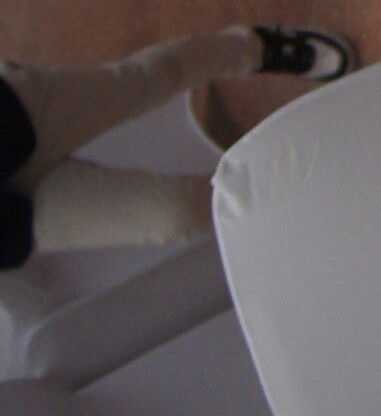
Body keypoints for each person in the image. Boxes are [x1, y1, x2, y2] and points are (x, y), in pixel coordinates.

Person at [0, 26, 355, 267]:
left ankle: (258, 47)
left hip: (12, 117)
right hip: (9, 226)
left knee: (143, 82)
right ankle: (299, 193)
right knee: (178, 215)